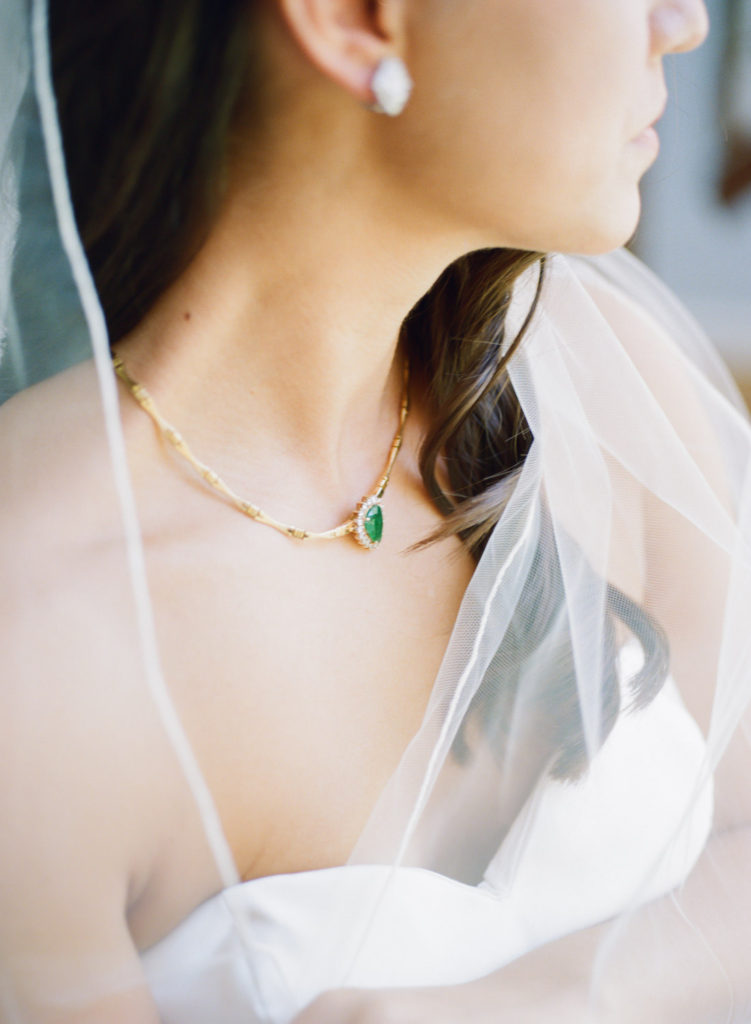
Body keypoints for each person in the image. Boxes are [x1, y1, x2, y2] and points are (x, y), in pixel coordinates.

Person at [2, 0, 751, 1021]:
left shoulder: (604, 385)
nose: (681, 23)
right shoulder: (41, 649)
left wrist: (537, 1002)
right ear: (354, 20)